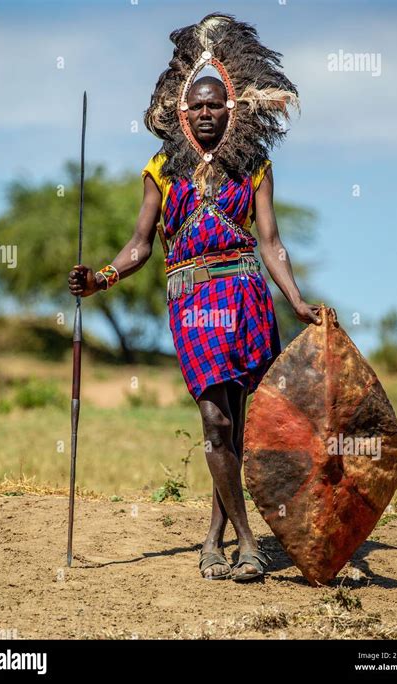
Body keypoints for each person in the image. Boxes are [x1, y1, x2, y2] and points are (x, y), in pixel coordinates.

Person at [68, 13, 322, 582]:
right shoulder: (161, 169)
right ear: (182, 110)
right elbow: (139, 246)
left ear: (231, 108)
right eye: (197, 105)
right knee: (214, 419)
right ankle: (249, 544)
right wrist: (100, 278)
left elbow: (271, 241)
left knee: (232, 421)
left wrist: (298, 301)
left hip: (246, 296)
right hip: (191, 302)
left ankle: (213, 539)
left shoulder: (254, 166)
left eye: (216, 104)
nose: (206, 112)